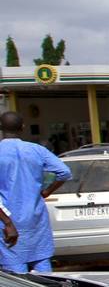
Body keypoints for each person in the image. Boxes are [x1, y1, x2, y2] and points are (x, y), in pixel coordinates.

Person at [0, 110, 72, 272]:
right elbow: (64, 172)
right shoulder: (37, 150)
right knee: (44, 271)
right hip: (37, 220)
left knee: (17, 276)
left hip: (8, 223)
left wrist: (8, 223)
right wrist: (47, 192)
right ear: (23, 127)